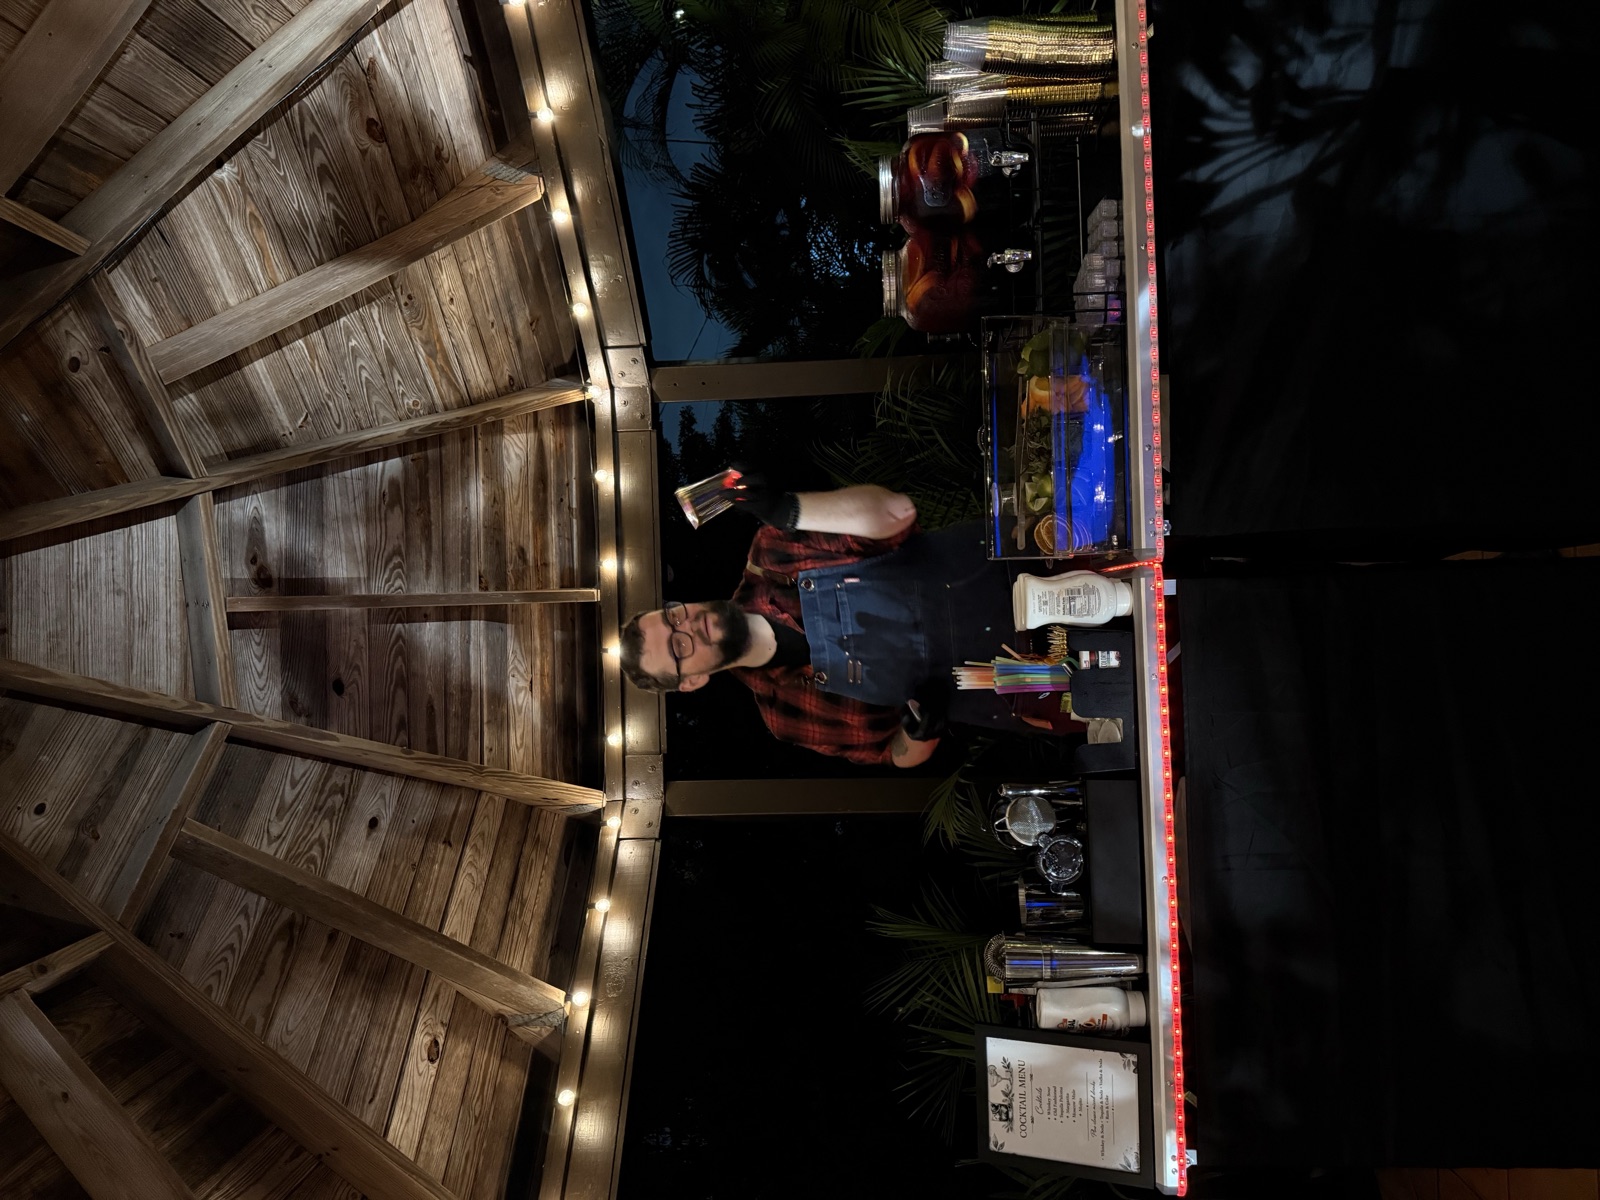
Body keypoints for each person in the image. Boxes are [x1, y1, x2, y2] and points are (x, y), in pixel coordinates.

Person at [621, 478, 1038, 768]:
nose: (688, 627)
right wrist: (919, 732)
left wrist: (788, 509)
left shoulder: (773, 553)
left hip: (1028, 569)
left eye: (673, 615)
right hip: (1035, 682)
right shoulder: (785, 717)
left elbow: (898, 511)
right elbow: (895, 754)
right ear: (691, 682)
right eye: (678, 647)